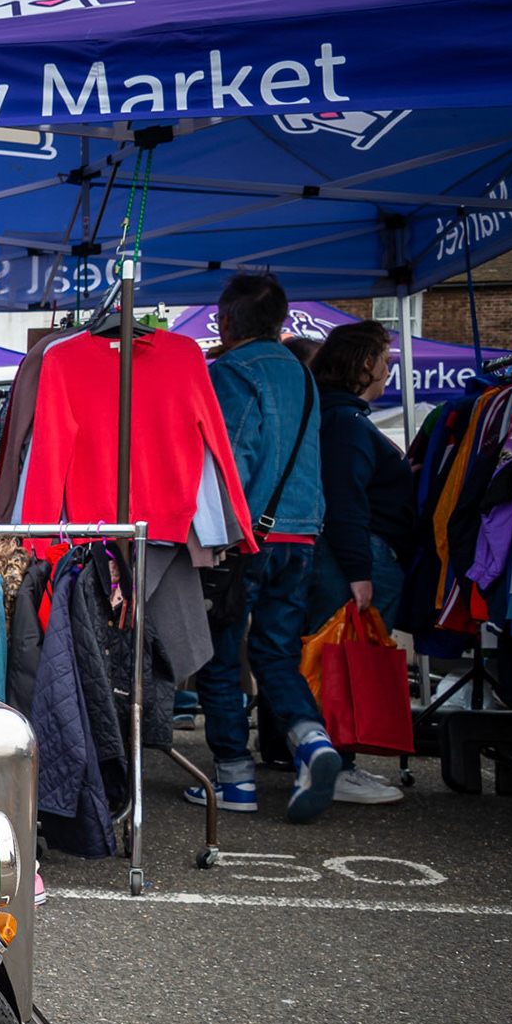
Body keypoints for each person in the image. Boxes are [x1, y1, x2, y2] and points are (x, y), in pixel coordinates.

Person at [189, 273, 342, 823]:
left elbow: (234, 458)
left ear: (225, 322)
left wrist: (215, 531)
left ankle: (234, 777)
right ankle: (311, 739)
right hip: (302, 533)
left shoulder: (229, 373)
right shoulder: (302, 373)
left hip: (248, 536)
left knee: (221, 654)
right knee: (276, 652)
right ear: (280, 323)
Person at [306, 320, 412, 804]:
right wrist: (359, 571)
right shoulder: (346, 423)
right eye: (385, 361)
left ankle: (330, 759)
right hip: (357, 554)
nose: (389, 370)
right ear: (364, 363)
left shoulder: (338, 417)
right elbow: (345, 501)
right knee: (344, 661)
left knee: (335, 657)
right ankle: (338, 764)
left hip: (351, 552)